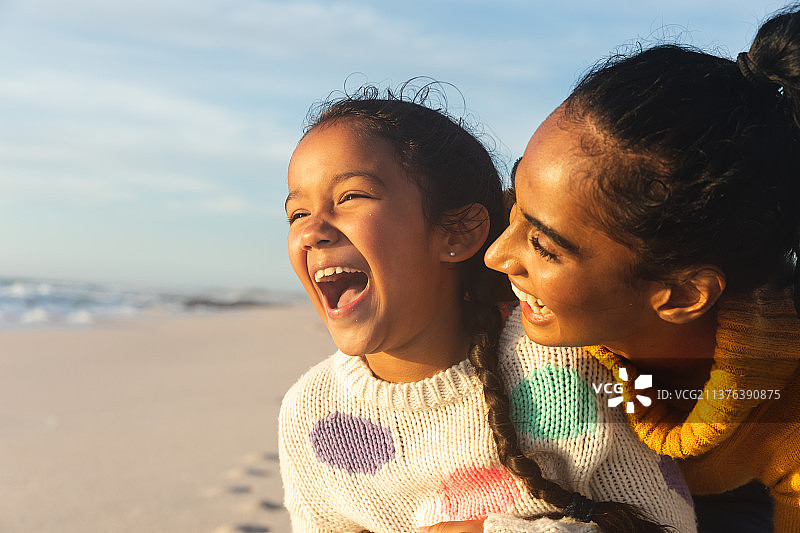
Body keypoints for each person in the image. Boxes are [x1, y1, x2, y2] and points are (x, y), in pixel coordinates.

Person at [278, 84, 696, 533]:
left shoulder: (567, 363)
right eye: (297, 214)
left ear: (457, 232)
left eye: (350, 197)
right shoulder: (309, 413)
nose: (312, 231)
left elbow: (665, 523)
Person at [485, 6, 800, 533]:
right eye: (512, 206)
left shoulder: (784, 413)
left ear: (681, 295)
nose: (495, 256)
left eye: (543, 247)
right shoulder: (492, 311)